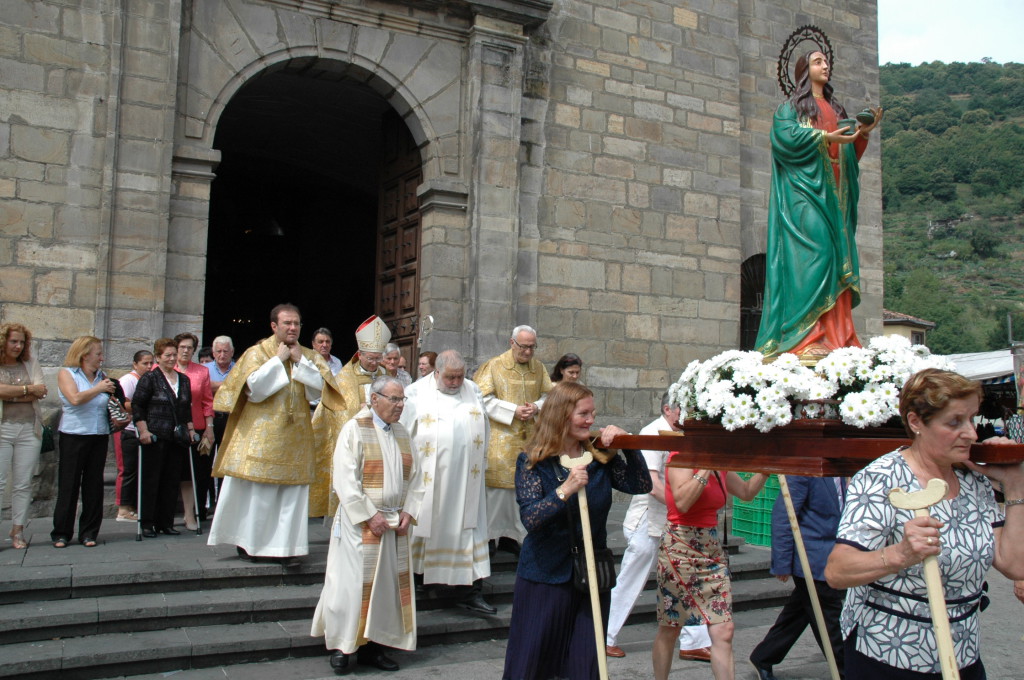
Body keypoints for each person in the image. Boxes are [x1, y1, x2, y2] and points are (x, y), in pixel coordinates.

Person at [825, 368, 1024, 678]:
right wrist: (900, 554)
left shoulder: (975, 481)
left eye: (972, 419)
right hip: (889, 653)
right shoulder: (881, 479)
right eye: (954, 422)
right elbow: (837, 571)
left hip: (962, 654)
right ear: (916, 422)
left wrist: (1015, 487)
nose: (971, 433)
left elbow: (1015, 565)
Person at [502, 381, 651, 679]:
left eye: (592, 413)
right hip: (545, 576)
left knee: (584, 663)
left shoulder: (600, 458)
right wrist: (564, 490)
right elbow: (530, 518)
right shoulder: (534, 461)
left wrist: (628, 446)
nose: (591, 420)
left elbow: (640, 485)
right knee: (533, 661)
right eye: (583, 414)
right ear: (561, 416)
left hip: (591, 574)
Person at [754, 47, 882, 359]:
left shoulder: (835, 110)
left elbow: (847, 153)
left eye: (826, 61)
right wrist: (824, 139)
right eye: (817, 61)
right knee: (816, 255)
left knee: (836, 258)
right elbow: (784, 140)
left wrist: (860, 134)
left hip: (834, 198)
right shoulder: (790, 110)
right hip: (805, 195)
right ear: (803, 70)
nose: (825, 66)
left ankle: (837, 339)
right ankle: (806, 338)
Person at [208, 303, 345, 565]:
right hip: (260, 434)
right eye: (287, 323)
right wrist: (278, 361)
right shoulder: (257, 353)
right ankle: (252, 544)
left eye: (296, 323)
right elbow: (255, 390)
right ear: (274, 326)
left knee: (290, 496)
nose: (293, 328)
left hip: (295, 436)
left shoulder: (307, 355)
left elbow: (321, 392)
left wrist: (300, 363)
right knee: (259, 493)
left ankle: (286, 548)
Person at [311, 376, 422, 675]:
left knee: (384, 591)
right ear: (374, 399)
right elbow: (344, 479)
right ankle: (342, 647)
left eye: (402, 400)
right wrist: (368, 515)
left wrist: (409, 512)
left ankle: (374, 648)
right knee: (350, 588)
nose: (400, 406)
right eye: (394, 399)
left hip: (394, 526)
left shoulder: (402, 433)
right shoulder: (354, 429)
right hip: (360, 527)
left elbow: (418, 478)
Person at [605, 392, 712, 661]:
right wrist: (680, 506)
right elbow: (651, 484)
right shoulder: (652, 433)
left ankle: (694, 641)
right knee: (632, 577)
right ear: (668, 409)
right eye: (682, 411)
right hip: (648, 518)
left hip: (674, 517)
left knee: (686, 577)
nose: (686, 417)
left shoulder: (685, 435)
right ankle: (604, 633)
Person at [652, 457, 768, 680]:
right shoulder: (679, 458)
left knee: (724, 629)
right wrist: (706, 465)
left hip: (710, 547)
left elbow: (745, 492)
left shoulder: (720, 463)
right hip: (680, 546)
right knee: (671, 626)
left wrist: (766, 470)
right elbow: (682, 502)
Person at [399, 350, 494, 614]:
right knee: (424, 527)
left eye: (459, 377)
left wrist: (483, 462)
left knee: (470, 529)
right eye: (450, 378)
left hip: (467, 479)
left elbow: (485, 426)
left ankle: (470, 591)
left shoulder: (472, 390)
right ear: (436, 372)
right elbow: (403, 434)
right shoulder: (416, 393)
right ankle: (418, 584)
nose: (455, 383)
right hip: (430, 481)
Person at [748, 475, 846, 680]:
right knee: (829, 620)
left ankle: (763, 656)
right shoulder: (805, 471)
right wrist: (782, 563)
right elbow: (784, 514)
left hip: (833, 553)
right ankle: (844, 670)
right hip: (812, 559)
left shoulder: (841, 468)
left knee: (799, 612)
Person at [475, 325, 552, 556]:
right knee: (498, 492)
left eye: (532, 347)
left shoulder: (538, 368)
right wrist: (512, 410)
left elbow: (550, 395)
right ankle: (490, 538)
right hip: (501, 439)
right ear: (512, 343)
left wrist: (536, 407)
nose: (528, 352)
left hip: (530, 438)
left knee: (524, 490)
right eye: (523, 347)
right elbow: (481, 398)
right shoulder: (494, 366)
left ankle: (514, 537)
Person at [313, 315, 390, 518]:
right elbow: (339, 415)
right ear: (360, 354)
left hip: (383, 441)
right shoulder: (344, 379)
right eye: (370, 358)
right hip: (358, 442)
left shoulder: (386, 375)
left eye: (378, 358)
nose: (375, 363)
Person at [52, 336, 122, 548]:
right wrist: (99, 389)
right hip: (74, 435)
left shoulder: (102, 377)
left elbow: (110, 404)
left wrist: (118, 412)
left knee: (94, 485)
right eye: (98, 353)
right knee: (69, 484)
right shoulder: (67, 374)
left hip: (98, 435)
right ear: (85, 355)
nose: (101, 357)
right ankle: (62, 533)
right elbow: (74, 398)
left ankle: (89, 532)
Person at [132, 338, 195, 538]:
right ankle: (147, 522)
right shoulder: (150, 379)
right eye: (167, 355)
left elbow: (186, 409)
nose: (171, 358)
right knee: (152, 480)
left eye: (173, 355)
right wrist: (143, 430)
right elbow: (137, 406)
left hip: (177, 437)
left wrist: (191, 430)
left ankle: (165, 522)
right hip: (155, 435)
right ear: (158, 357)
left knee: (171, 480)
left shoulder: (183, 379)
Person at [0, 323, 48, 550]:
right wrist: (27, 391)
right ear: (3, 342)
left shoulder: (30, 363)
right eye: (13, 341)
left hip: (30, 428)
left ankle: (17, 530)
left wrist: (12, 393)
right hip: (2, 428)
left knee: (23, 482)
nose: (18, 346)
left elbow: (41, 389)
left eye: (21, 342)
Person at [174, 332, 215, 529]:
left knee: (192, 473)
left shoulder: (201, 371)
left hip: (196, 426)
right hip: (171, 427)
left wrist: (209, 427)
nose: (185, 351)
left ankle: (190, 514)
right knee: (171, 472)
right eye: (182, 347)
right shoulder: (163, 368)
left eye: (189, 347)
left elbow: (208, 401)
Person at [115, 349, 153, 523]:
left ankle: (131, 506)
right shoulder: (129, 380)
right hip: (129, 428)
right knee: (128, 470)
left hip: (142, 428)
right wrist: (143, 405)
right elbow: (123, 403)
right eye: (145, 363)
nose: (149, 366)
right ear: (135, 364)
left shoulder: (147, 379)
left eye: (151, 363)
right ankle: (123, 508)